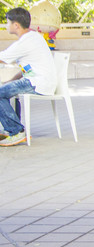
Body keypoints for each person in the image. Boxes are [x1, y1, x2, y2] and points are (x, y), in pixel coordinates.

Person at [0, 8, 57, 146]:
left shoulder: (25, 42)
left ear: (16, 25)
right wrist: (10, 81)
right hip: (38, 79)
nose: (6, 25)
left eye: (8, 23)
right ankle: (13, 128)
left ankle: (16, 131)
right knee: (7, 90)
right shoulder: (33, 37)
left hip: (38, 82)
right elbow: (27, 69)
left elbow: (2, 58)